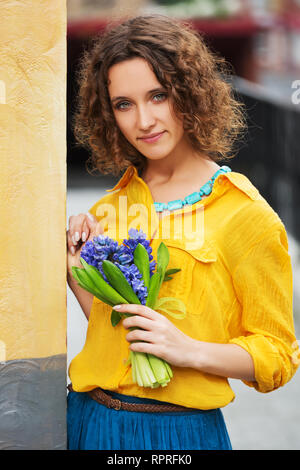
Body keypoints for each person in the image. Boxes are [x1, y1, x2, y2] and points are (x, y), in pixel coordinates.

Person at [66, 14, 299, 451]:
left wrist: (189, 349)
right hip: (87, 419)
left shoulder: (244, 214)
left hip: (178, 435)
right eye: (124, 104)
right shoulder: (110, 208)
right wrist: (80, 273)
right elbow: (115, 329)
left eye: (158, 95)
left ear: (190, 94)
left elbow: (278, 355)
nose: (144, 120)